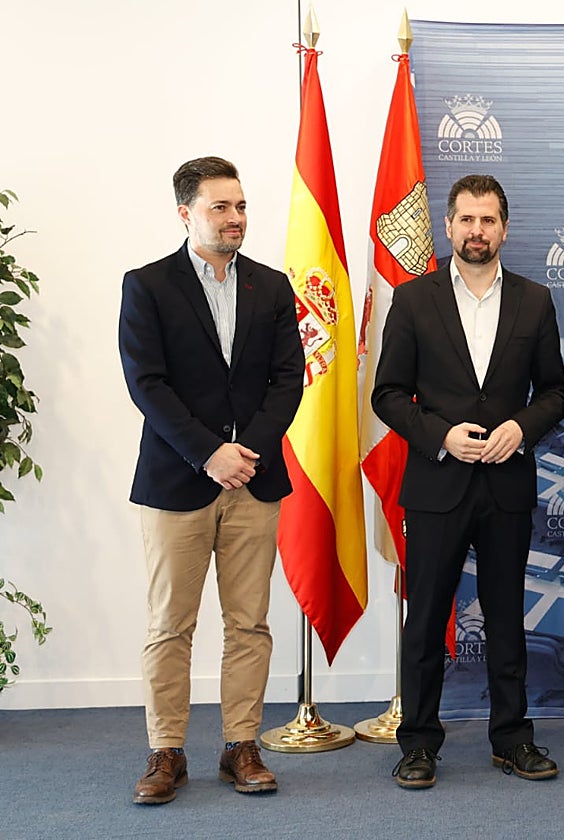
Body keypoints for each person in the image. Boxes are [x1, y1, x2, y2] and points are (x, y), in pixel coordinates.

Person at [372, 174, 564, 789]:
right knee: (426, 618)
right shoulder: (413, 299)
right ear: (449, 227)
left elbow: (556, 392)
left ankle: (512, 739)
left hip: (507, 483)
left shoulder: (535, 301)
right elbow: (385, 395)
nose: (477, 231)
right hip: (437, 483)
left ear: (504, 228)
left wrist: (521, 426)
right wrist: (439, 435)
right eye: (466, 220)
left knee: (508, 617)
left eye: (488, 221)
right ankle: (419, 743)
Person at [118, 156, 304, 804]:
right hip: (177, 483)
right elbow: (148, 384)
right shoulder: (147, 286)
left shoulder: (272, 287)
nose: (235, 219)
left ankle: (241, 746)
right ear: (185, 213)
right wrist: (208, 454)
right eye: (221, 207)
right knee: (171, 624)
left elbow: (288, 380)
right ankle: (166, 751)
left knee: (249, 623)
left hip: (253, 481)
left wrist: (243, 450)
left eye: (242, 206)